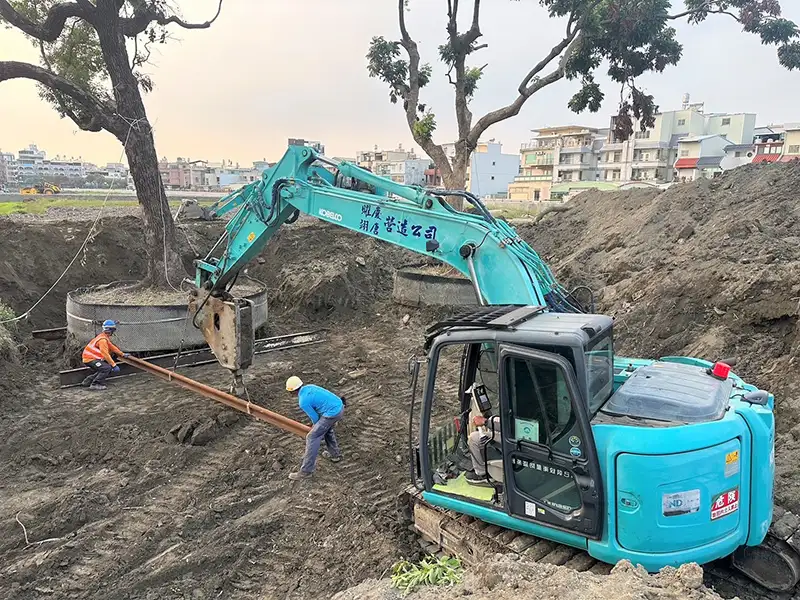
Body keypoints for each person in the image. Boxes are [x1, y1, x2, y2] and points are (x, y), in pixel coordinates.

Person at [286, 375, 344, 480]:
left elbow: (315, 417)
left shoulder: (303, 401)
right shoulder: (309, 387)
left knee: (312, 437)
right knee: (326, 429)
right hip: (339, 406)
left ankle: (306, 471)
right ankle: (335, 455)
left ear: (291, 391)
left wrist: (315, 427)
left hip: (332, 413)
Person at [81, 320, 128, 391]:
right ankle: (96, 384)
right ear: (111, 330)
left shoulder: (103, 337)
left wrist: (122, 354)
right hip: (90, 359)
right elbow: (105, 354)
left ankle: (88, 380)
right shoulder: (102, 340)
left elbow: (112, 347)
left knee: (104, 368)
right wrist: (114, 365)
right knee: (106, 368)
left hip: (91, 358)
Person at [465, 414, 502, 486]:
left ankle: (482, 474)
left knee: (473, 438)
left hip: (513, 441)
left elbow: (511, 426)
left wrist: (485, 422)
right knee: (493, 418)